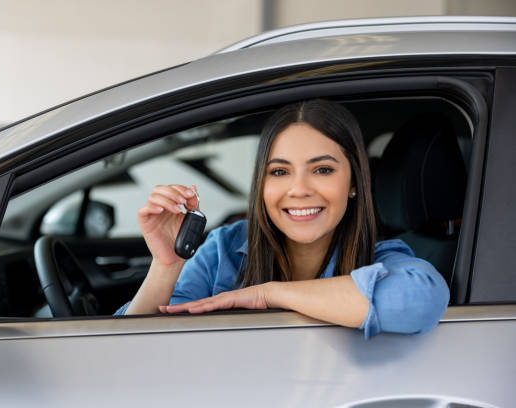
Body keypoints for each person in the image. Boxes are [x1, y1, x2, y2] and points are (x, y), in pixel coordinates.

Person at [114, 99, 450, 338]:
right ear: (262, 183)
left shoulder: (383, 258)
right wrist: (166, 265)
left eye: (322, 169)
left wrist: (270, 294)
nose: (299, 189)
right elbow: (136, 348)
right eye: (279, 171)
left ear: (353, 184)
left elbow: (420, 301)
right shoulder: (225, 249)